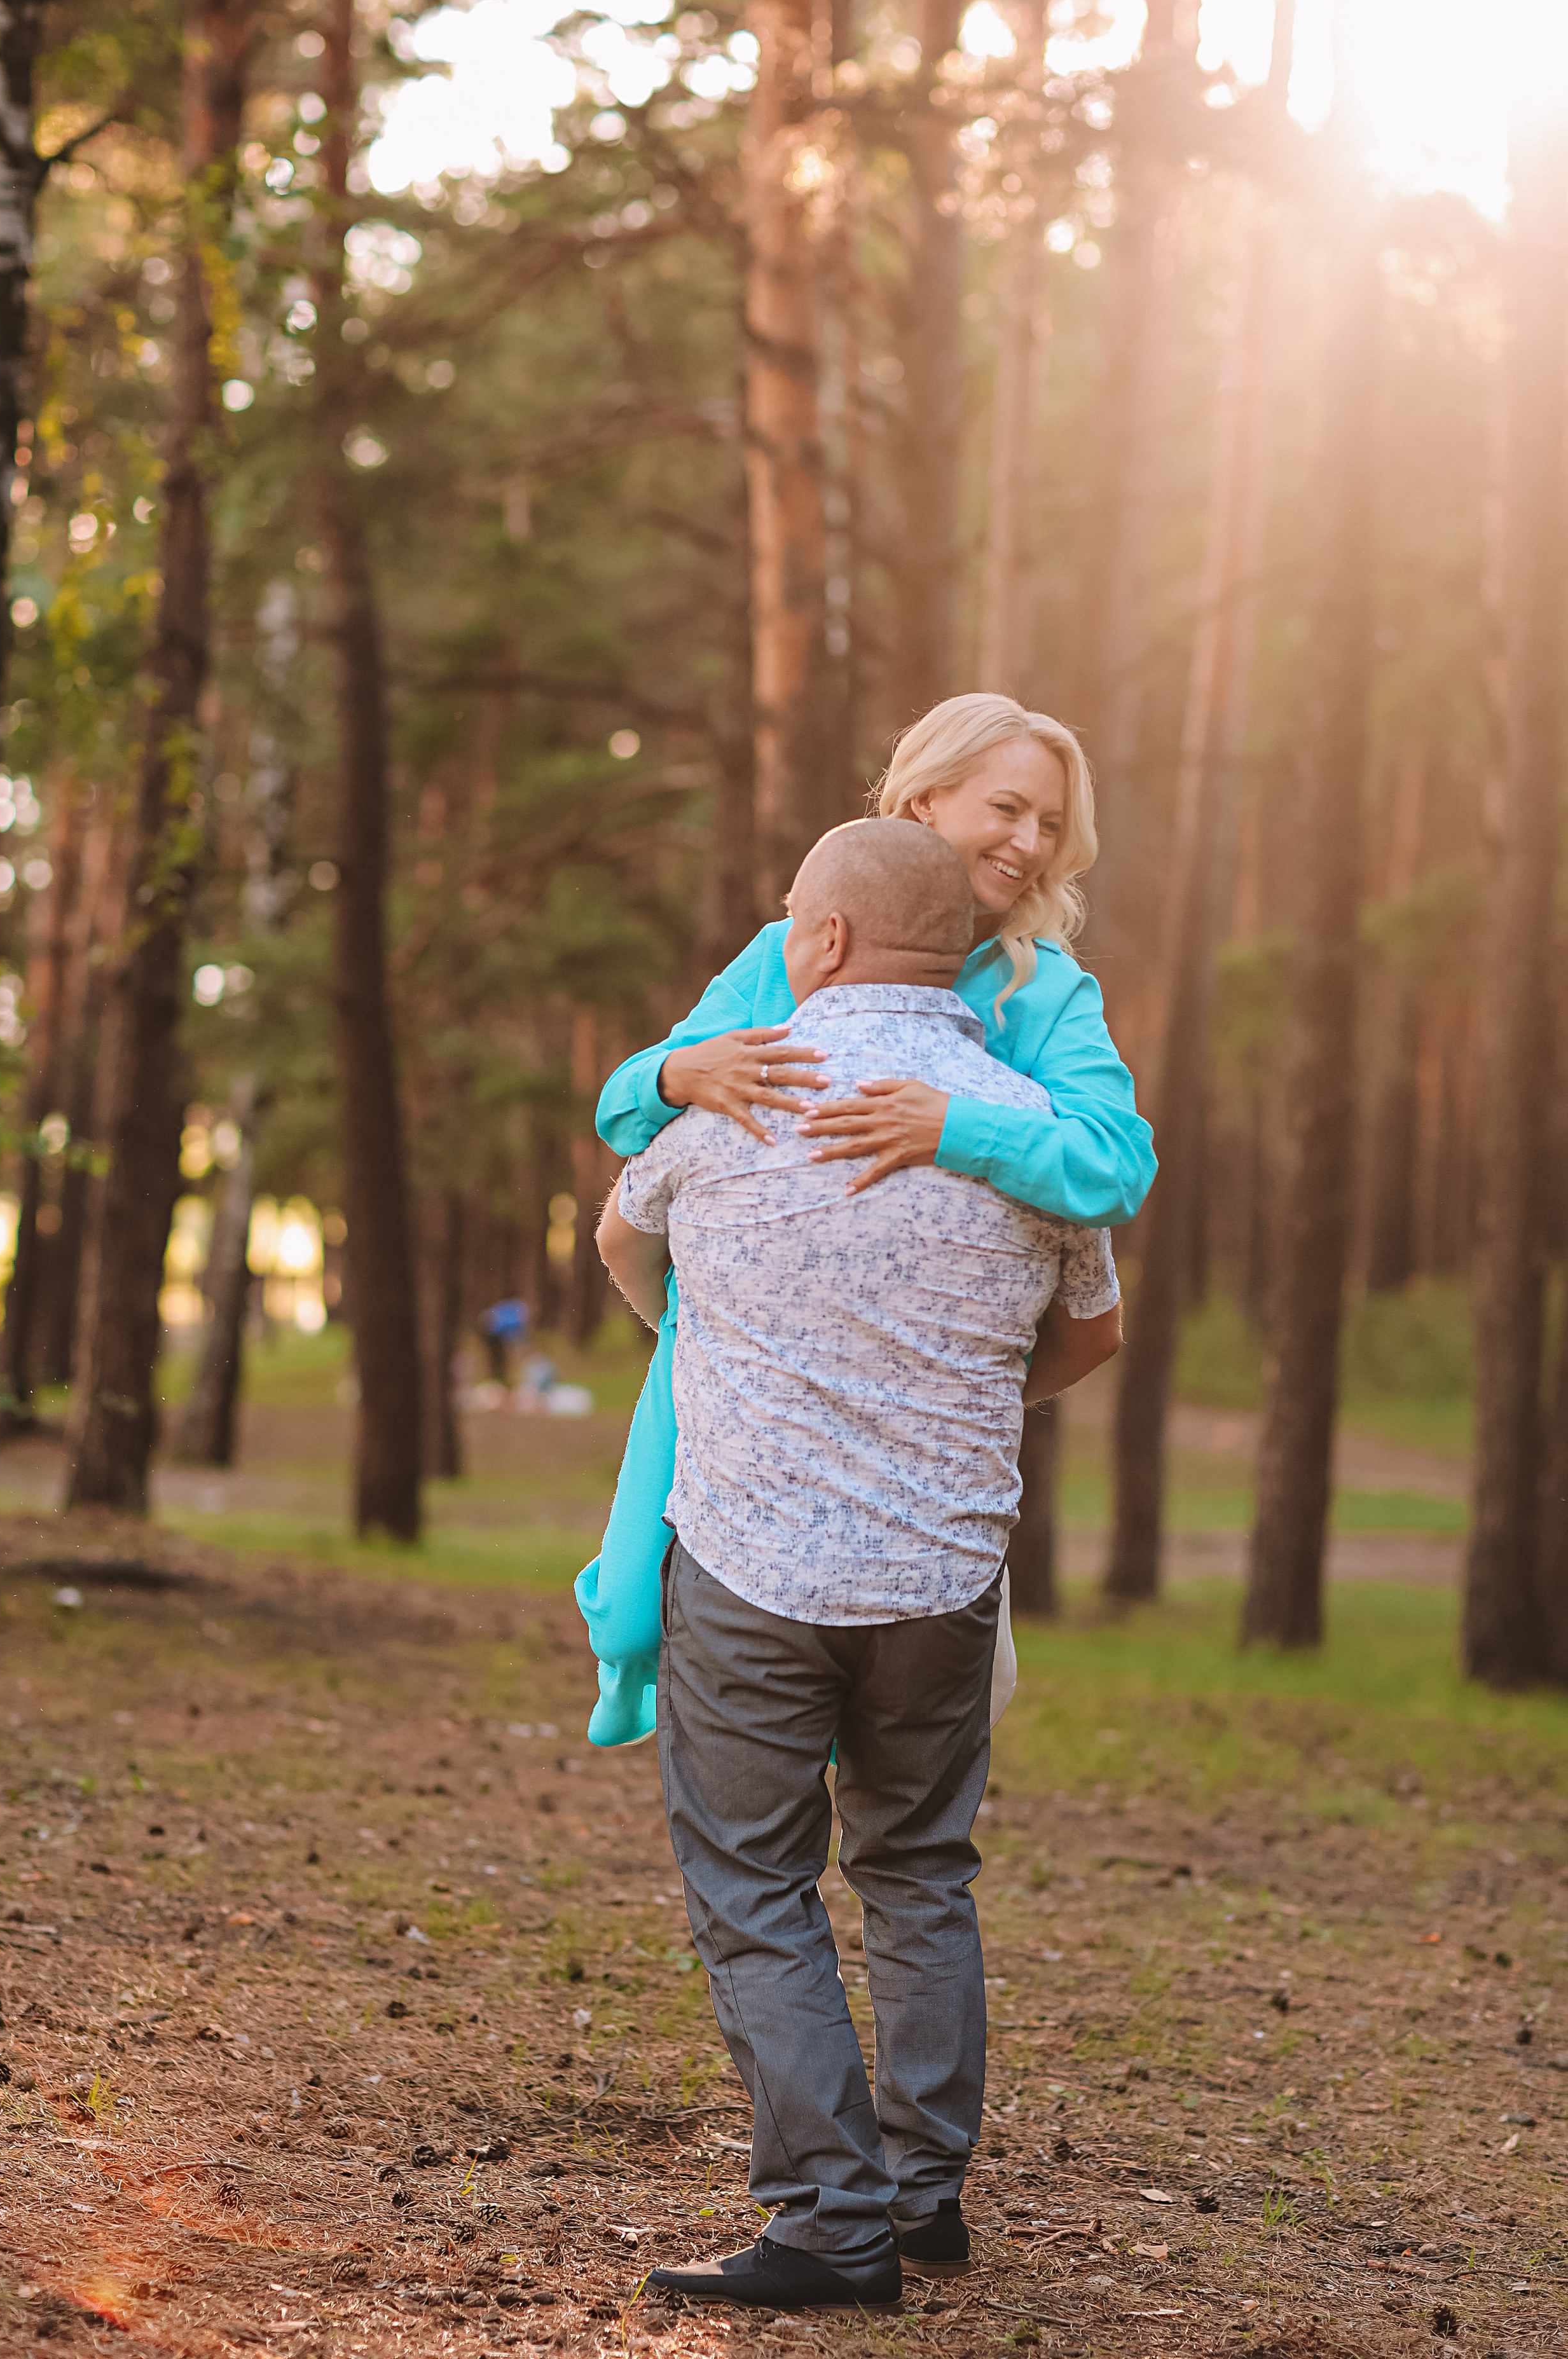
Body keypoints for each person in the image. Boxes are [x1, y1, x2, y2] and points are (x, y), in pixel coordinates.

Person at [596, 820, 1122, 2309]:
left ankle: (831, 2219)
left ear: (817, 942)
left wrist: (739, 1364)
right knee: (917, 1867)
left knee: (755, 1883)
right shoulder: (1019, 1121)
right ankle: (920, 2193)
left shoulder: (734, 1098)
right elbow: (1092, 1333)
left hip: (751, 1569)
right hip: (942, 1573)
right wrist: (933, 1394)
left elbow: (623, 1247)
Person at [576, 694, 1154, 1746]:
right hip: (752, 1359)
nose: (1030, 845)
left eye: (1052, 826)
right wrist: (673, 1071)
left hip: (932, 1392)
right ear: (925, 800)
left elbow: (1115, 1166)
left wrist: (956, 1128)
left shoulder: (1047, 996)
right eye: (1009, 809)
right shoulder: (786, 950)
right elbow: (624, 1115)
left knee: (926, 1713)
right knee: (627, 1603)